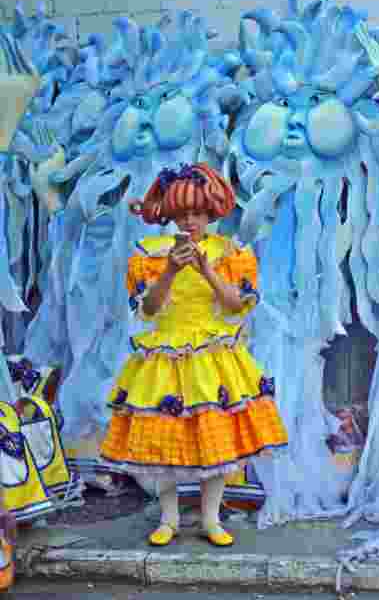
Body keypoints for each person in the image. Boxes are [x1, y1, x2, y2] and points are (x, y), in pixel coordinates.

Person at [98, 162, 288, 548]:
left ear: (211, 213)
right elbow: (148, 310)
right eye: (182, 214)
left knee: (216, 439)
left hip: (213, 357)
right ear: (169, 216)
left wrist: (206, 271)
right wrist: (169, 271)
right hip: (164, 355)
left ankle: (211, 519)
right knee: (165, 436)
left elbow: (237, 305)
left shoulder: (230, 253)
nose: (190, 221)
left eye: (198, 213)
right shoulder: (148, 256)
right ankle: (168, 519)